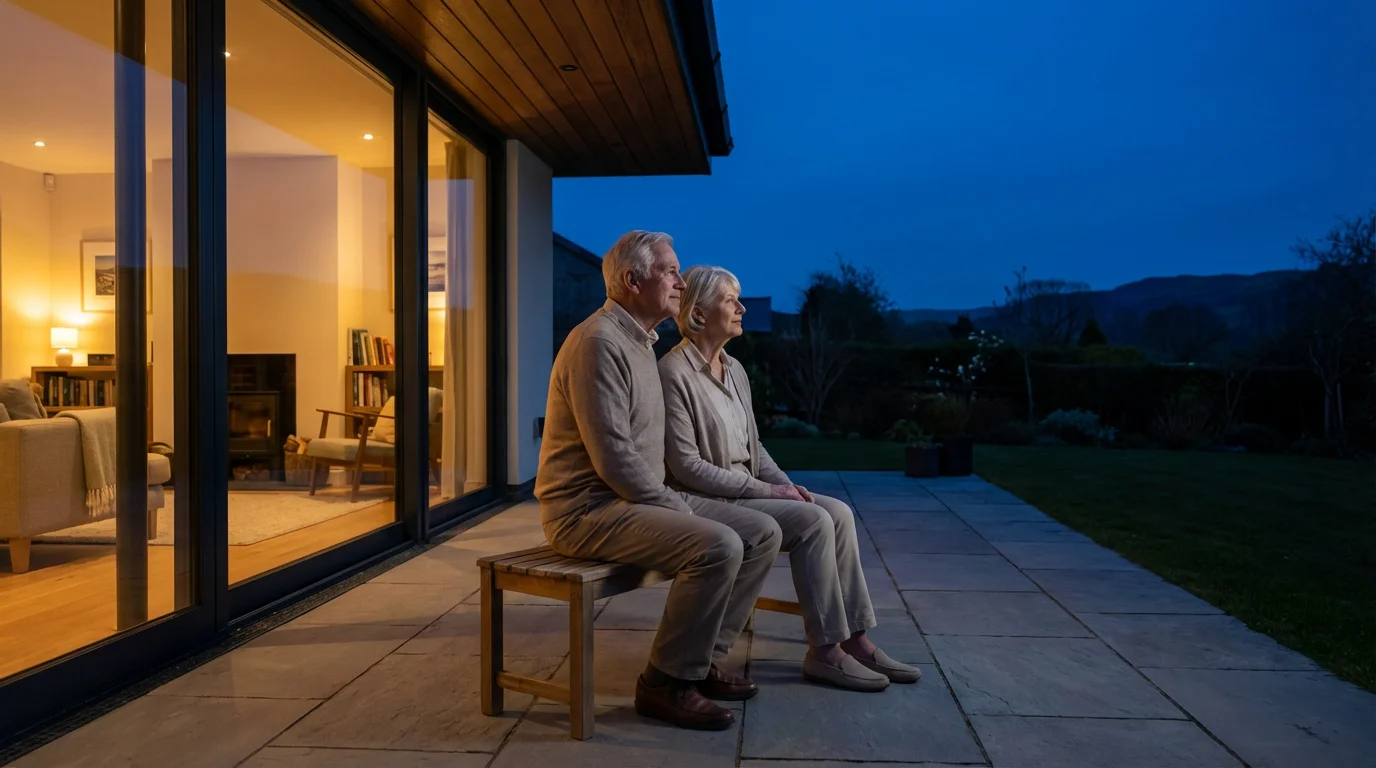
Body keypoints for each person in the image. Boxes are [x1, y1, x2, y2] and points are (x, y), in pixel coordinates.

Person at [536, 232, 783, 731]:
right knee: (716, 544)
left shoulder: (639, 342)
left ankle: (701, 661)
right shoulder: (598, 343)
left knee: (762, 532)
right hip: (586, 511)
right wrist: (680, 508)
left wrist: (675, 502)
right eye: (670, 271)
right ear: (632, 280)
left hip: (629, 501)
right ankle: (665, 684)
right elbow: (615, 460)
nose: (681, 280)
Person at [658, 265, 923, 692]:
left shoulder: (736, 370)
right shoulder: (673, 373)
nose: (742, 307)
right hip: (707, 496)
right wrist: (770, 491)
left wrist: (790, 487)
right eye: (731, 300)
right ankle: (825, 653)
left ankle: (855, 639)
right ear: (700, 313)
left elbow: (755, 449)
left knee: (835, 511)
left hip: (747, 491)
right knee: (813, 523)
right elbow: (687, 466)